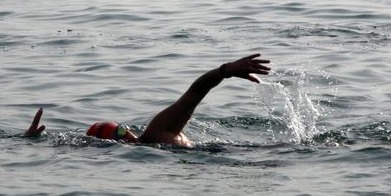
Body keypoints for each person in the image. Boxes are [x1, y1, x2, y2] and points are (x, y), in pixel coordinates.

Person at [85, 54, 271, 147]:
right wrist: (225, 70)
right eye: (120, 130)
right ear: (118, 141)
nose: (126, 130)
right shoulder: (155, 133)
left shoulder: (151, 145)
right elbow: (197, 91)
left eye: (122, 127)